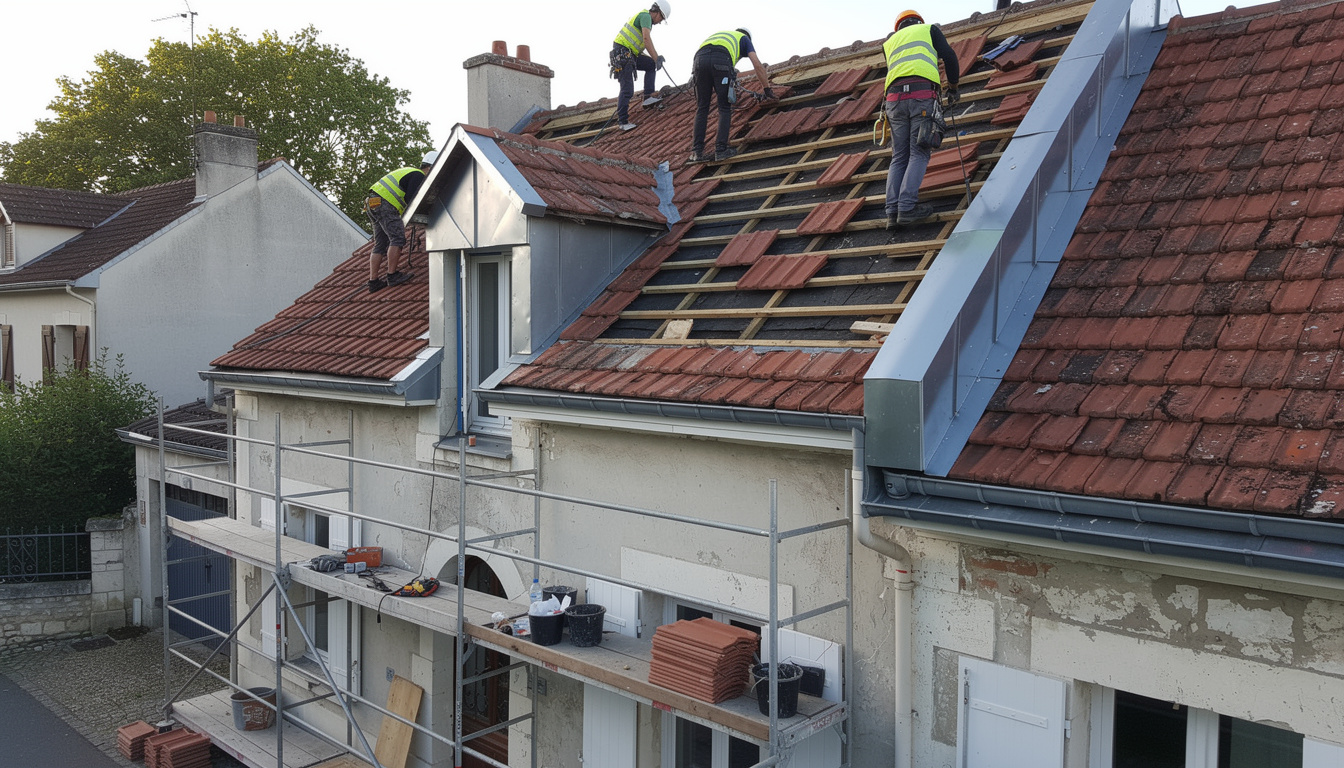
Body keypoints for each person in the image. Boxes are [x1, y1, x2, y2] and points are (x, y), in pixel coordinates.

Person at [883, 9, 959, 229]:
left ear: (898, 26)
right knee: (919, 151)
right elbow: (950, 57)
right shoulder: (929, 29)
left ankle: (892, 212)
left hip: (894, 101)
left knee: (899, 156)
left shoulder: (889, 42)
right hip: (921, 96)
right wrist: (953, 87)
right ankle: (907, 208)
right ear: (918, 22)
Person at [691, 28, 777, 163]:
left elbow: (710, 59)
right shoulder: (745, 39)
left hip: (699, 61)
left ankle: (696, 153)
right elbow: (757, 65)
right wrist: (767, 90)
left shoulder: (722, 36)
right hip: (720, 60)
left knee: (702, 107)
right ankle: (721, 149)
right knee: (724, 107)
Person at [366, 150, 437, 293]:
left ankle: (373, 281)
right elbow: (411, 199)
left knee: (380, 243)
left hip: (372, 202)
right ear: (429, 168)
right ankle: (392, 275)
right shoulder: (418, 175)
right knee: (397, 238)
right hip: (385, 204)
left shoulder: (408, 171)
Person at [611, 2, 671, 132]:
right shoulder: (646, 17)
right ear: (657, 12)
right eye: (661, 18)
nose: (660, 22)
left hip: (628, 54)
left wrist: (654, 60)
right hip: (623, 54)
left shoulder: (645, 17)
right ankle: (623, 121)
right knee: (627, 89)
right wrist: (656, 57)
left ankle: (648, 97)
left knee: (650, 64)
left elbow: (638, 46)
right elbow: (646, 39)